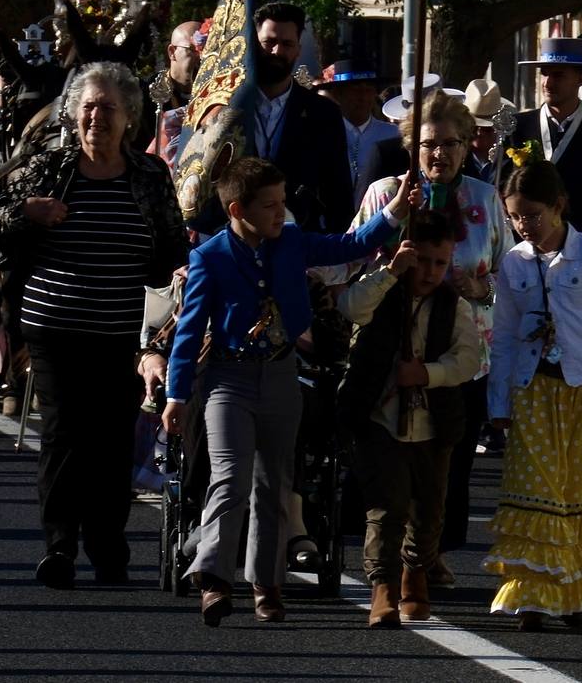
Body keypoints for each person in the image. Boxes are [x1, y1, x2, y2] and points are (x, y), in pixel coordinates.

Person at [159, 157, 412, 625]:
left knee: (275, 484)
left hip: (280, 375)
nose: (281, 213)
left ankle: (266, 583)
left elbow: (350, 243)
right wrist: (177, 394)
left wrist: (394, 211)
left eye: (282, 203)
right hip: (227, 381)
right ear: (237, 209)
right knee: (230, 477)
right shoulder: (209, 257)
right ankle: (214, 578)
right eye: (270, 205)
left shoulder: (292, 243)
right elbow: (190, 331)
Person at [0, 62, 188, 589]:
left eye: (108, 108)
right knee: (66, 434)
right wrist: (29, 212)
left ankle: (108, 547)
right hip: (53, 324)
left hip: (118, 330)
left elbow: (171, 246)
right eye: (88, 107)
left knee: (112, 439)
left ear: (129, 119)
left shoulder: (148, 175)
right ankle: (60, 545)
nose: (96, 117)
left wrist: (178, 266)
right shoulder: (49, 166)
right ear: (73, 114)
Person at [352, 89, 508, 589]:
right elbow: (352, 256)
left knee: (447, 459)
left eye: (450, 143)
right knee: (395, 455)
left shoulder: (485, 201)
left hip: (462, 351)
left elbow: (510, 271)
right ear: (411, 147)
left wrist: (481, 286)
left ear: (467, 146)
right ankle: (393, 558)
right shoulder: (386, 194)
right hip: (394, 348)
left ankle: (429, 551)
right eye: (428, 145)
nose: (438, 154)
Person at [485, 160, 582, 631]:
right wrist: (499, 404)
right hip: (534, 391)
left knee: (577, 494)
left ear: (559, 206)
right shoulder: (513, 262)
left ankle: (574, 589)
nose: (525, 225)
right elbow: (503, 336)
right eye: (516, 217)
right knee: (535, 492)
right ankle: (532, 594)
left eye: (533, 215)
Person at [336, 210, 481, 627]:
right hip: (380, 419)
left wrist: (426, 374)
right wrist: (390, 273)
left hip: (433, 424)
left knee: (430, 507)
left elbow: (468, 358)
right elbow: (351, 308)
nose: (432, 272)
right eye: (424, 260)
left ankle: (415, 573)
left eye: (441, 263)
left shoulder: (452, 306)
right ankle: (382, 584)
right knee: (387, 504)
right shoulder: (383, 291)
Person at [251, 2, 354, 232]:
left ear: (298, 49)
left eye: (287, 44)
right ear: (254, 45)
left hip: (298, 244)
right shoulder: (230, 107)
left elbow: (338, 194)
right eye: (269, 42)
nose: (277, 51)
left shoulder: (323, 114)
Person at [510, 38, 582, 232]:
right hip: (526, 244)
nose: (548, 82)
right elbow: (502, 189)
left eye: (558, 75)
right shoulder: (517, 128)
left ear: (581, 78)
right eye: (544, 73)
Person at [313, 59, 399, 207]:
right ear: (338, 94)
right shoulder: (320, 134)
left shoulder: (393, 135)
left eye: (368, 90)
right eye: (355, 90)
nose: (363, 97)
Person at [146, 20, 204, 170]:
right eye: (193, 49)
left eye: (205, 50)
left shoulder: (215, 93)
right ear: (172, 52)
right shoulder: (147, 94)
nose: (201, 57)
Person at [462, 78, 507, 185]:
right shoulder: (456, 158)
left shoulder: (510, 159)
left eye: (487, 129)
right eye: (474, 127)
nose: (479, 133)